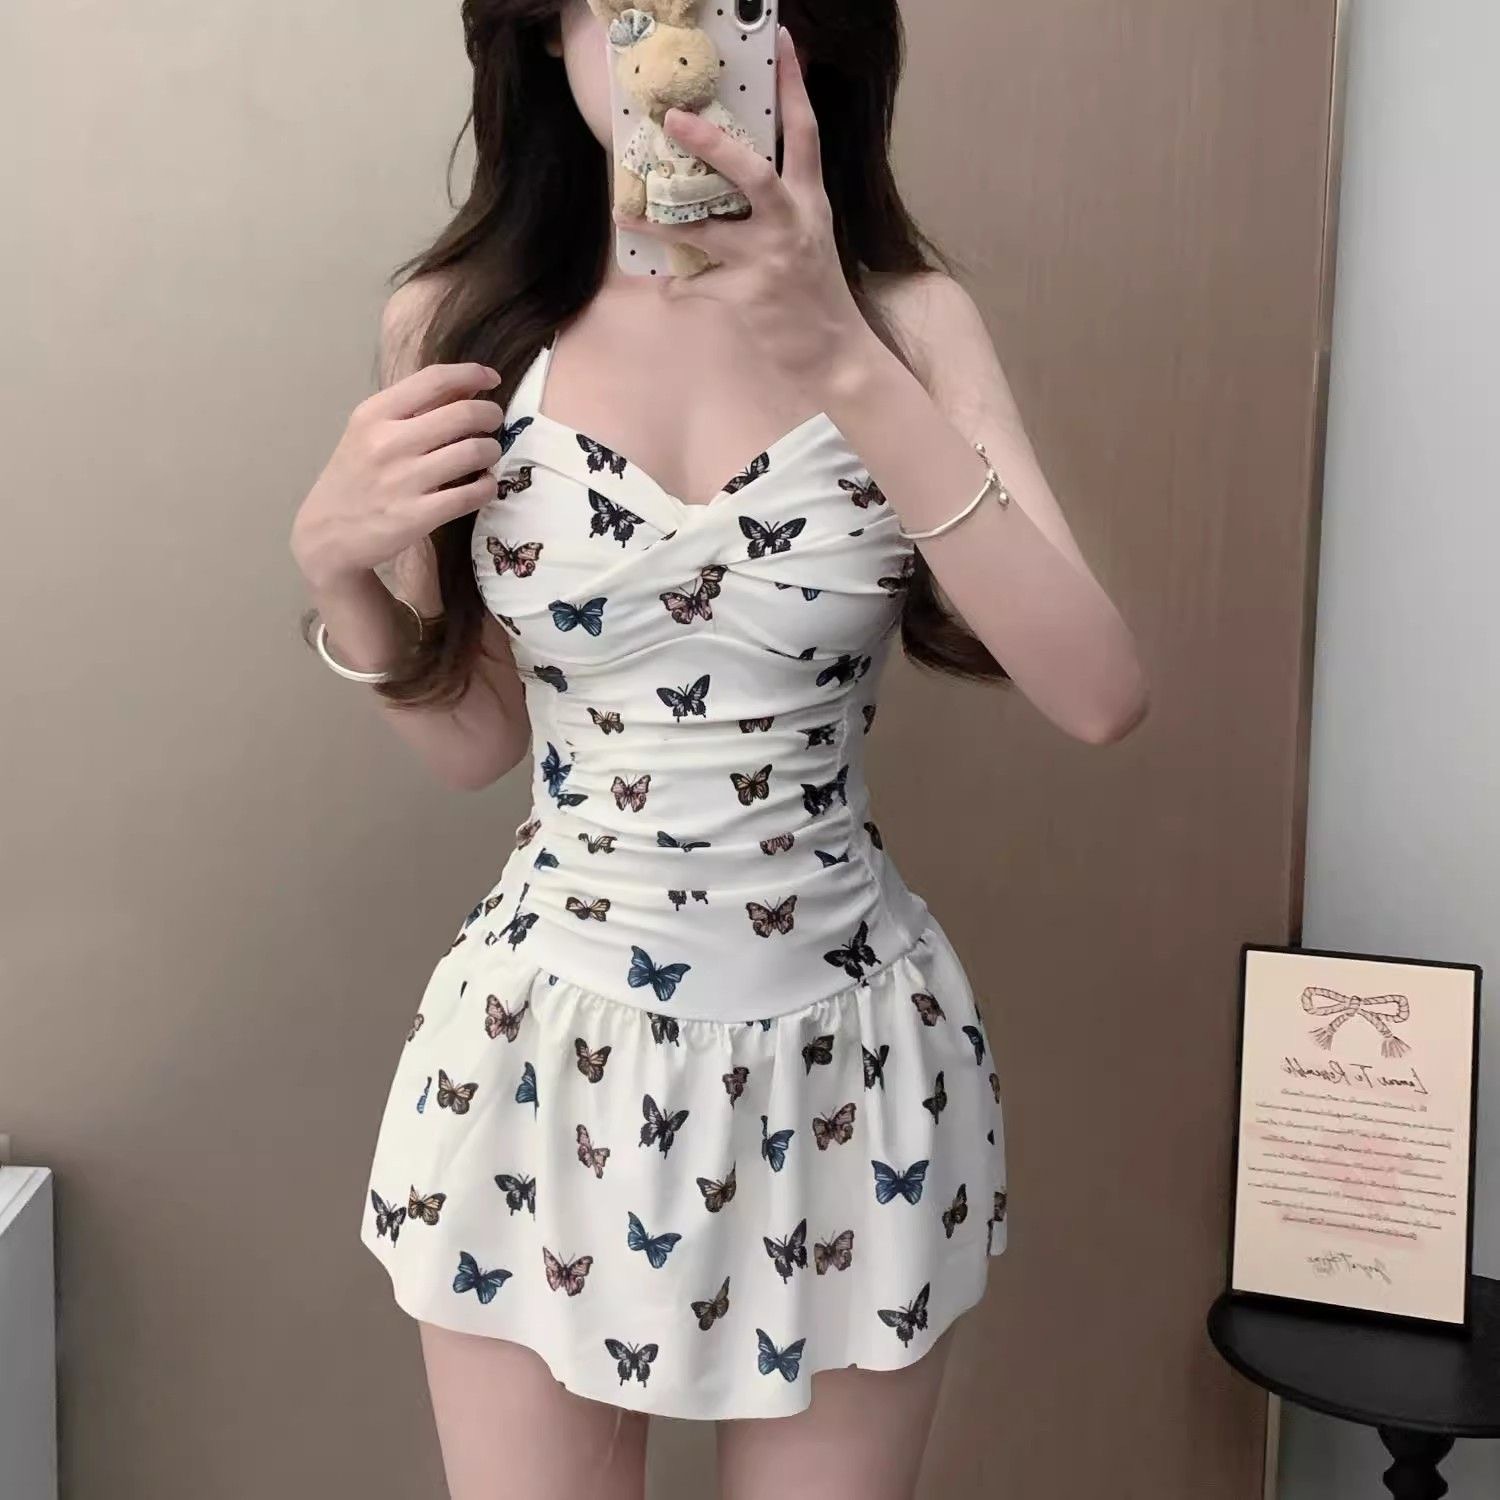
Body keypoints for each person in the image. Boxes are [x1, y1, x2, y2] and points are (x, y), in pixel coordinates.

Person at [289, 3, 1148, 1496]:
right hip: (544, 1062)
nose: (666, 51)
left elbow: (1099, 691)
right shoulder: (462, 318)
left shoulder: (909, 320)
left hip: (842, 1064)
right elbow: (477, 744)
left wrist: (841, 354)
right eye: (623, 8)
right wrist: (339, 573)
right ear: (547, 35)